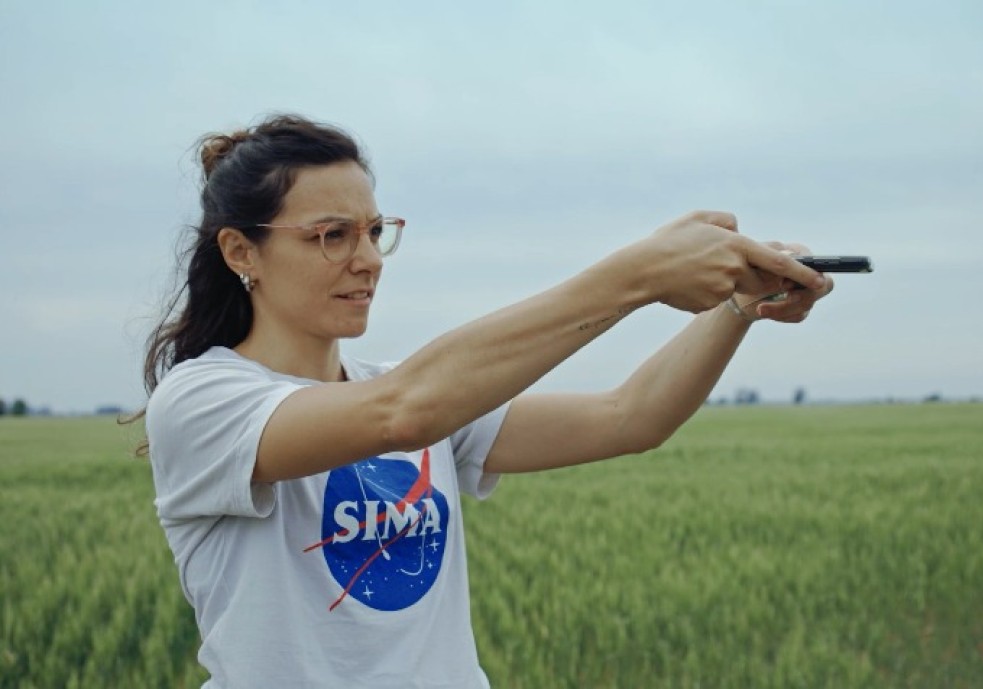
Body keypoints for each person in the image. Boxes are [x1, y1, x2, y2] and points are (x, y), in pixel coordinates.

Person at [138, 113, 831, 689]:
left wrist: (739, 308)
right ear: (241, 252)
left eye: (374, 231)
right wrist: (641, 273)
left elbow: (629, 417)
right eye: (332, 235)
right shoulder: (204, 403)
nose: (369, 258)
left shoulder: (405, 388)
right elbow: (402, 413)